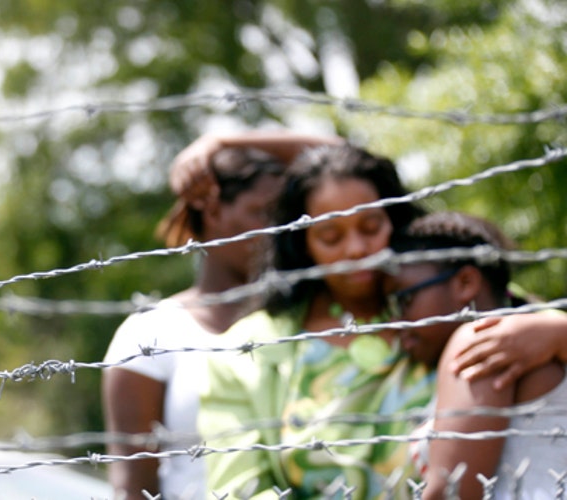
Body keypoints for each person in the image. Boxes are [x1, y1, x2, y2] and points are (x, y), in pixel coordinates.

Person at [195, 143, 567, 499]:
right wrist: (221, 142)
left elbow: (516, 320)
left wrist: (557, 332)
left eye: (371, 227)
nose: (356, 249)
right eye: (330, 236)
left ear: (395, 218)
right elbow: (238, 488)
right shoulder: (247, 350)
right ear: (303, 245)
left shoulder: (446, 300)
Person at [102, 131, 342, 500]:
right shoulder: (152, 333)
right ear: (213, 211)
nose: (281, 232)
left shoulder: (306, 317)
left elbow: (345, 160)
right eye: (263, 213)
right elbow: (132, 489)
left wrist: (221, 143)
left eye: (286, 218)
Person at [384, 211, 567, 499]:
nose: (396, 323)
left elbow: (450, 493)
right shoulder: (528, 339)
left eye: (403, 300)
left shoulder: (484, 341)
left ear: (465, 283)